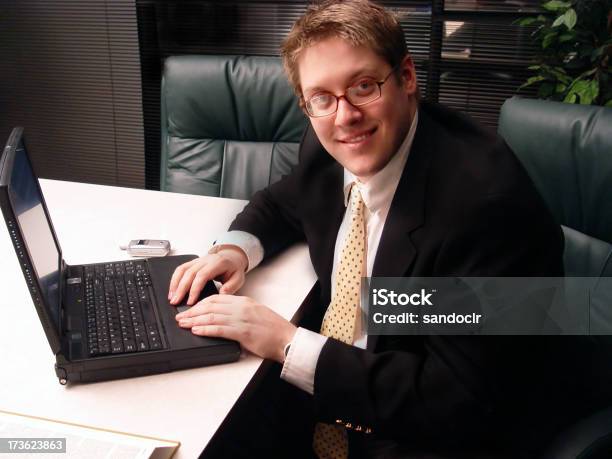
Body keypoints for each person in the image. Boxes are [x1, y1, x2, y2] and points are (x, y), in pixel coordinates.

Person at [166, 1, 604, 457]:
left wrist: (288, 343)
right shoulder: (328, 143)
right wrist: (234, 251)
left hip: (440, 433)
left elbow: (456, 398)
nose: (344, 116)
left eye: (363, 86)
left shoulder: (484, 209)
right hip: (345, 390)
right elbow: (282, 202)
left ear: (407, 77)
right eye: (322, 97)